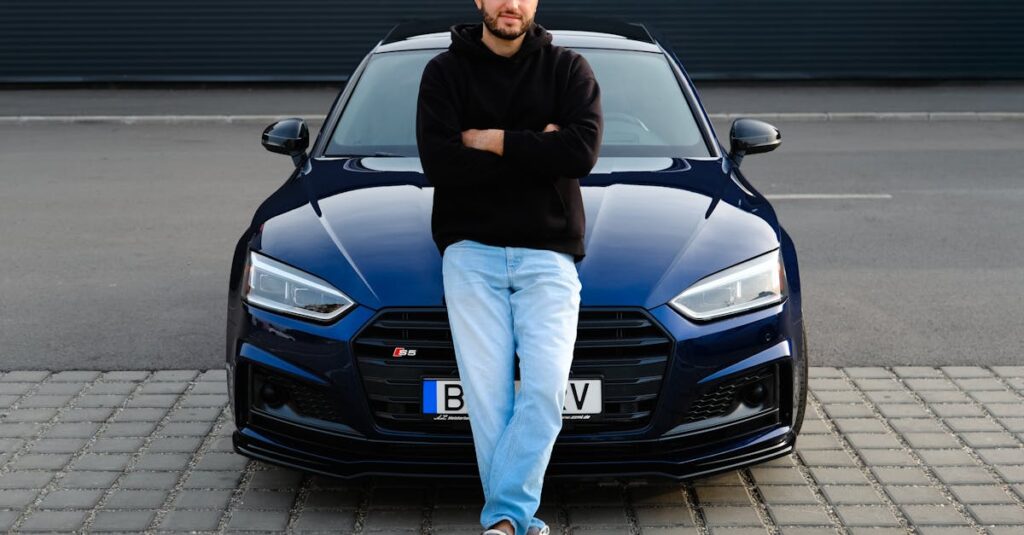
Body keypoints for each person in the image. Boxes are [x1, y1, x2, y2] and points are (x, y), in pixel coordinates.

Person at [415, 0, 603, 533]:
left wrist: (491, 140)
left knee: (544, 391)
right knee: (487, 400)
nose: (511, 5)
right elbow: (440, 162)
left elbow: (581, 153)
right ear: (479, 0)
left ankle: (506, 519)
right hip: (470, 252)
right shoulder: (444, 72)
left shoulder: (569, 69)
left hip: (549, 254)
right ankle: (508, 523)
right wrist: (540, 148)